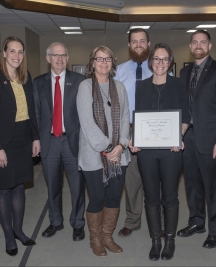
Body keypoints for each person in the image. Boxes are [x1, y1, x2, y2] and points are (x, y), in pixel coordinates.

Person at [130, 43, 189, 261]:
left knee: (170, 197)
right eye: (156, 58)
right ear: (150, 61)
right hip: (146, 151)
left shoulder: (178, 85)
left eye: (165, 59)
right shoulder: (141, 86)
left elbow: (186, 117)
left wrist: (178, 136)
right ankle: (156, 240)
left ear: (170, 62)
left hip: (171, 150)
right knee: (151, 197)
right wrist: (133, 138)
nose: (160, 63)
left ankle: (170, 240)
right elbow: (138, 117)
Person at [0, 36, 40, 256]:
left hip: (24, 140)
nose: (17, 55)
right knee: (4, 188)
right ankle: (8, 235)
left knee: (19, 187)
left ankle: (18, 229)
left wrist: (36, 138)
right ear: (4, 53)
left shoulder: (26, 78)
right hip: (3, 142)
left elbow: (32, 111)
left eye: (20, 51)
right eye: (13, 51)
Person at [177, 30, 216, 249]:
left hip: (211, 140)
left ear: (209, 46)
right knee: (192, 185)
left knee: (213, 188)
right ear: (190, 46)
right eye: (195, 42)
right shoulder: (184, 72)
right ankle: (196, 222)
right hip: (188, 138)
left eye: (203, 42)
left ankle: (215, 232)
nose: (198, 45)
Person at [77, 45, 130, 257]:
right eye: (99, 59)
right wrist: (108, 148)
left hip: (119, 155)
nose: (103, 62)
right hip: (94, 154)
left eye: (107, 59)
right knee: (97, 198)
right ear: (92, 63)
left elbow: (125, 117)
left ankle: (108, 236)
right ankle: (96, 239)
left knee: (114, 197)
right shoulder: (84, 87)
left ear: (112, 63)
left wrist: (121, 145)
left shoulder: (119, 87)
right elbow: (87, 122)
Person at [33, 42, 86, 240]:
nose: (59, 59)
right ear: (48, 59)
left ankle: (78, 223)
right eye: (55, 55)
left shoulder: (80, 81)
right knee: (53, 186)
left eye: (63, 55)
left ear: (67, 57)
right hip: (50, 142)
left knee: (77, 186)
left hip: (73, 141)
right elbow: (36, 114)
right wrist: (36, 138)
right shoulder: (38, 83)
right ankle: (55, 221)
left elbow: (85, 113)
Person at [114, 28, 151, 237]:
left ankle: (160, 221)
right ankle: (132, 220)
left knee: (156, 179)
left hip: (154, 130)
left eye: (142, 41)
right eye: (134, 42)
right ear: (129, 45)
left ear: (148, 43)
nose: (138, 45)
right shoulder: (118, 71)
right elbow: (115, 105)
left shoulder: (160, 68)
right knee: (132, 179)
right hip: (127, 130)